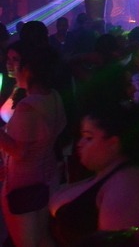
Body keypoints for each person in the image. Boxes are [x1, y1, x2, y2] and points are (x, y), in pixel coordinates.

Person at [49, 102, 139, 247]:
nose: (80, 144)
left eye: (88, 138)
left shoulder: (126, 184)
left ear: (113, 143)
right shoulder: (105, 175)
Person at [0, 43, 67, 247]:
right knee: (43, 238)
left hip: (23, 185)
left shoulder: (28, 107)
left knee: (26, 243)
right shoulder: (53, 96)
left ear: (28, 70)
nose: (13, 68)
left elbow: (19, 152)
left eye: (17, 63)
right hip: (47, 178)